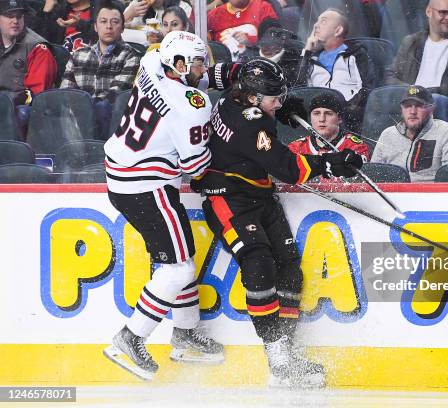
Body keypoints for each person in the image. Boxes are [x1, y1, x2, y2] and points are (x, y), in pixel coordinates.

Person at [194, 57, 363, 387]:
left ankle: (285, 352)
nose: (279, 102)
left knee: (289, 267)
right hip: (228, 199)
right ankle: (278, 359)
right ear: (254, 99)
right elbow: (290, 169)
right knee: (259, 266)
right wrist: (331, 164)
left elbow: (230, 69)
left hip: (259, 196)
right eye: (274, 99)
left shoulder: (238, 89)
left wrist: (281, 108)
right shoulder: (250, 122)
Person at [103, 31, 224, 381]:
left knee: (180, 259)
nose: (204, 68)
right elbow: (196, 168)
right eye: (199, 62)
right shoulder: (192, 104)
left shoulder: (150, 63)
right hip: (148, 187)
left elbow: (159, 52)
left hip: (123, 177)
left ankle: (185, 335)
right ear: (181, 64)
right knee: (179, 270)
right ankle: (131, 337)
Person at [60, 0, 141, 140]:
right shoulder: (78, 55)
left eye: (115, 22)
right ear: (95, 27)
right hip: (77, 120)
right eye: (103, 21)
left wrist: (84, 107)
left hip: (112, 123)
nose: (109, 26)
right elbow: (65, 92)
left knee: (103, 107)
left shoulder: (131, 56)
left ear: (122, 28)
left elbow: (117, 94)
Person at [384, 0, 448, 99]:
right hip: (408, 100)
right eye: (443, 12)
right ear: (429, 12)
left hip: (441, 100)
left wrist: (421, 93)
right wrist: (411, 92)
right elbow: (391, 76)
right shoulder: (410, 42)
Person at [371, 85, 448, 182]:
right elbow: (373, 178)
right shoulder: (387, 135)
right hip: (389, 196)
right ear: (401, 109)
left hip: (431, 196)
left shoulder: (447, 133)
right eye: (408, 106)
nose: (412, 111)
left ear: (431, 108)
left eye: (419, 106)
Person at [0, 0, 57, 106]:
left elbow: (37, 95)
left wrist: (5, 102)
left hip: (19, 110)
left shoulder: (38, 49)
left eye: (19, 16)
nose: (15, 21)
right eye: (9, 16)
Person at [288, 90, 370, 163]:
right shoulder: (295, 149)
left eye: (328, 113)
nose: (322, 119)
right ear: (310, 118)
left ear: (339, 118)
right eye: (316, 113)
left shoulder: (356, 147)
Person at [207, 0, 278, 60]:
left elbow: (274, 39)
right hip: (223, 68)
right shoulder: (214, 15)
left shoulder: (262, 7)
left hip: (255, 65)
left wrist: (250, 41)